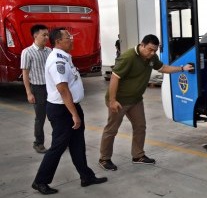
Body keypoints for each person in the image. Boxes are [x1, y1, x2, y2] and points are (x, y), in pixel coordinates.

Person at [99, 34, 193, 171]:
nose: (152, 53)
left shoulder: (151, 57)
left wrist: (182, 69)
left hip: (136, 99)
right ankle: (104, 158)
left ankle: (138, 155)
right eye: (149, 49)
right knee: (112, 129)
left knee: (140, 126)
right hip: (120, 100)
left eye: (154, 50)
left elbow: (162, 68)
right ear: (141, 45)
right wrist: (112, 101)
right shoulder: (128, 57)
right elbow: (114, 78)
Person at [32, 28, 107, 195]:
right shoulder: (57, 60)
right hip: (62, 110)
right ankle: (40, 181)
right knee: (58, 146)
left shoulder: (64, 57)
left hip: (70, 107)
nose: (72, 39)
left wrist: (75, 111)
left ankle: (86, 176)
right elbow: (63, 89)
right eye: (68, 37)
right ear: (58, 41)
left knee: (77, 144)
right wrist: (74, 114)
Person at [20, 24, 52, 154]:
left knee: (55, 115)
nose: (46, 37)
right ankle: (38, 143)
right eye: (44, 35)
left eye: (47, 35)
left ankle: (59, 141)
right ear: (35, 35)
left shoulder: (50, 51)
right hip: (37, 89)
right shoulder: (27, 52)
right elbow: (25, 74)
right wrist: (29, 93)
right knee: (40, 117)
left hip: (51, 88)